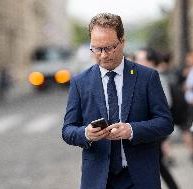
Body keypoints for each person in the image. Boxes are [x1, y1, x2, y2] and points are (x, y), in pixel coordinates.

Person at [62, 13, 174, 189]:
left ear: (122, 41)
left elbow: (166, 123)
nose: (103, 55)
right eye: (97, 49)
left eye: (109, 48)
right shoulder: (80, 82)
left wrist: (131, 130)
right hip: (98, 179)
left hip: (138, 177)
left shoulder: (147, 77)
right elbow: (68, 130)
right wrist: (86, 133)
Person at [135, 47, 179, 189]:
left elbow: (166, 103)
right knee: (155, 163)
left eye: (140, 59)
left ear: (151, 61)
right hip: (148, 127)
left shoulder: (156, 76)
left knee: (153, 163)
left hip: (155, 128)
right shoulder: (143, 76)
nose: (136, 62)